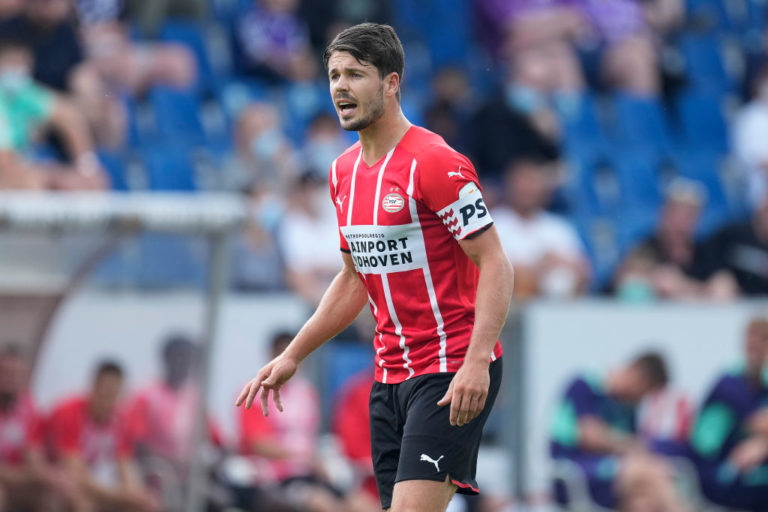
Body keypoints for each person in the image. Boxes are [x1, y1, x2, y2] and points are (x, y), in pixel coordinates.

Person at [237, 23, 514, 512]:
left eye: (355, 74)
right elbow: (353, 279)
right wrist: (293, 355)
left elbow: (494, 262)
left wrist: (476, 362)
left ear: (391, 83)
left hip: (449, 368)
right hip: (387, 378)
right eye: (334, 75)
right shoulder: (341, 172)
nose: (340, 87)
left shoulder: (436, 163)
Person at [550, 352, 691, 512]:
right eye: (644, 394)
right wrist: (632, 445)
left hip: (614, 477)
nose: (641, 401)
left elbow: (633, 450)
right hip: (575, 472)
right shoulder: (585, 385)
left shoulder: (628, 408)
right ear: (639, 378)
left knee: (644, 502)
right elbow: (589, 435)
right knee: (652, 473)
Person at [238, 331, 347, 512]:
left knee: (361, 503)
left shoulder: (306, 393)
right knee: (324, 504)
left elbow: (311, 439)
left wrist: (320, 462)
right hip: (274, 479)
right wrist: (304, 458)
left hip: (309, 473)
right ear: (272, 356)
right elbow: (259, 444)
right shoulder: (254, 393)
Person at [47, 360, 157, 512]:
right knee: (80, 501)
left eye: (114, 395)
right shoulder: (69, 411)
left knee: (143, 504)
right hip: (55, 477)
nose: (109, 402)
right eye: (105, 394)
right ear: (93, 387)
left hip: (91, 481)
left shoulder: (120, 421)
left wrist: (137, 497)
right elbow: (75, 470)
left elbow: (125, 466)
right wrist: (117, 496)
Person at [0, 36, 107, 190]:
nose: (16, 69)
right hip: (8, 172)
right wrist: (49, 176)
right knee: (31, 184)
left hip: (19, 167)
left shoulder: (24, 93)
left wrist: (87, 168)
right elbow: (4, 160)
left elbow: (69, 116)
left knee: (89, 184)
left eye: (21, 63)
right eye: (11, 62)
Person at [689, 316, 768, 511]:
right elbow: (759, 423)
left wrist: (762, 446)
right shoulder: (729, 383)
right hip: (715, 472)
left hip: (745, 470)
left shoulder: (760, 385)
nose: (757, 347)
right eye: (753, 340)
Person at [613, 178, 738, 300]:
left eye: (688, 214)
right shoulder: (645, 248)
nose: (681, 221)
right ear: (664, 213)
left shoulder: (705, 253)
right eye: (676, 212)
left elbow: (723, 285)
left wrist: (683, 286)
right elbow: (625, 280)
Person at [491, 154, 590, 298]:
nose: (527, 189)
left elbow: (585, 272)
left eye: (533, 182)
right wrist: (535, 269)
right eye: (522, 181)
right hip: (506, 302)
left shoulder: (558, 227)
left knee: (560, 278)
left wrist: (559, 262)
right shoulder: (493, 223)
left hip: (554, 304)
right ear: (510, 185)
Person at [0, 344, 65, 512]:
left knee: (53, 495)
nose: (10, 380)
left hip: (19, 478)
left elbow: (33, 452)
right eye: (5, 373)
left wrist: (50, 476)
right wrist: (29, 475)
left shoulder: (29, 407)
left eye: (16, 375)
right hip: (11, 478)